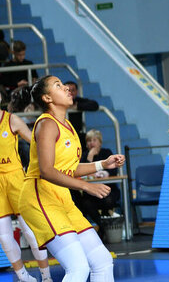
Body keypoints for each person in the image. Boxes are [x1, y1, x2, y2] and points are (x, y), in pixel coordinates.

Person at [16, 75, 125, 282]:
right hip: (40, 198)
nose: (66, 88)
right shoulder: (46, 125)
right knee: (78, 268)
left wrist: (102, 164)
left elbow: (68, 168)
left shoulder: (68, 125)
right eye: (58, 85)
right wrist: (87, 186)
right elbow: (47, 171)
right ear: (48, 98)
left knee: (102, 260)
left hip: (62, 199)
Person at [0, 89, 53, 282]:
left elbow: (36, 143)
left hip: (16, 179)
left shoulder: (11, 120)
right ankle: (23, 276)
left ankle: (46, 276)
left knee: (30, 232)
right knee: (4, 237)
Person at [71, 129, 121, 242]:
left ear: (100, 142)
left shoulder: (106, 153)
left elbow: (114, 171)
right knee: (85, 203)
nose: (91, 143)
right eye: (89, 141)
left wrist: (102, 173)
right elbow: (82, 173)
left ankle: (103, 227)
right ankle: (103, 226)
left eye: (94, 140)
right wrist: (89, 157)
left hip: (109, 190)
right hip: (90, 193)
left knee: (107, 200)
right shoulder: (84, 156)